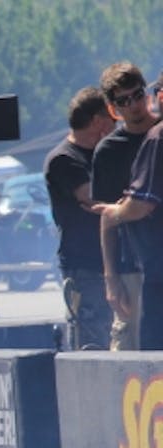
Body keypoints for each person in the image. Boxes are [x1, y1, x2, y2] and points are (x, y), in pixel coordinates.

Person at [44, 87, 116, 349]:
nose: (115, 125)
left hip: (110, 260)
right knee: (93, 339)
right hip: (84, 265)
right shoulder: (64, 159)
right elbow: (92, 199)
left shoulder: (102, 152)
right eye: (112, 119)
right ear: (98, 121)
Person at [93, 63, 157, 351]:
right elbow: (107, 216)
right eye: (123, 101)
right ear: (112, 109)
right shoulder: (108, 150)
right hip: (131, 262)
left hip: (159, 259)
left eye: (138, 94)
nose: (134, 105)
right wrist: (111, 277)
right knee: (130, 348)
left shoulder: (160, 134)